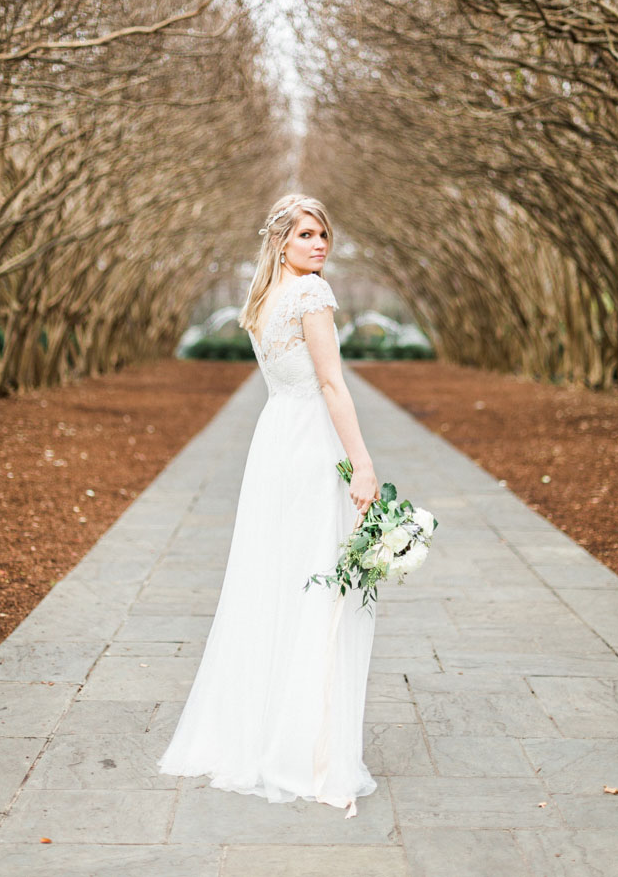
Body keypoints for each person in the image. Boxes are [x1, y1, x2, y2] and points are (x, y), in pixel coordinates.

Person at [157, 192, 380, 818]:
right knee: (315, 583)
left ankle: (258, 727)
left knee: (272, 581)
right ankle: (303, 746)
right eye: (306, 234)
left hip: (275, 439)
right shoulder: (311, 296)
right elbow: (333, 384)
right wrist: (361, 460)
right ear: (281, 241)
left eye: (323, 235)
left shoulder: (260, 302)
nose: (319, 245)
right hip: (308, 443)